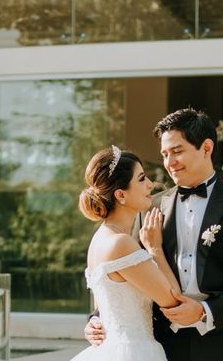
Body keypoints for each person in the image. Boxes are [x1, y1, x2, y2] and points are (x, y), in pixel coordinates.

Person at [84, 108, 223, 361]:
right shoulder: (147, 206)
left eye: (177, 151)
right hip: (163, 344)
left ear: (206, 148)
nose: (169, 162)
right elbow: (123, 272)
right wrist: (97, 319)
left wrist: (205, 311)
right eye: (164, 154)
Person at [71, 146, 182, 361]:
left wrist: (93, 322)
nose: (150, 184)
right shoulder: (120, 243)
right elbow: (173, 300)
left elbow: (105, 305)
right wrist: (155, 248)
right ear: (120, 194)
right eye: (141, 179)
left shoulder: (100, 239)